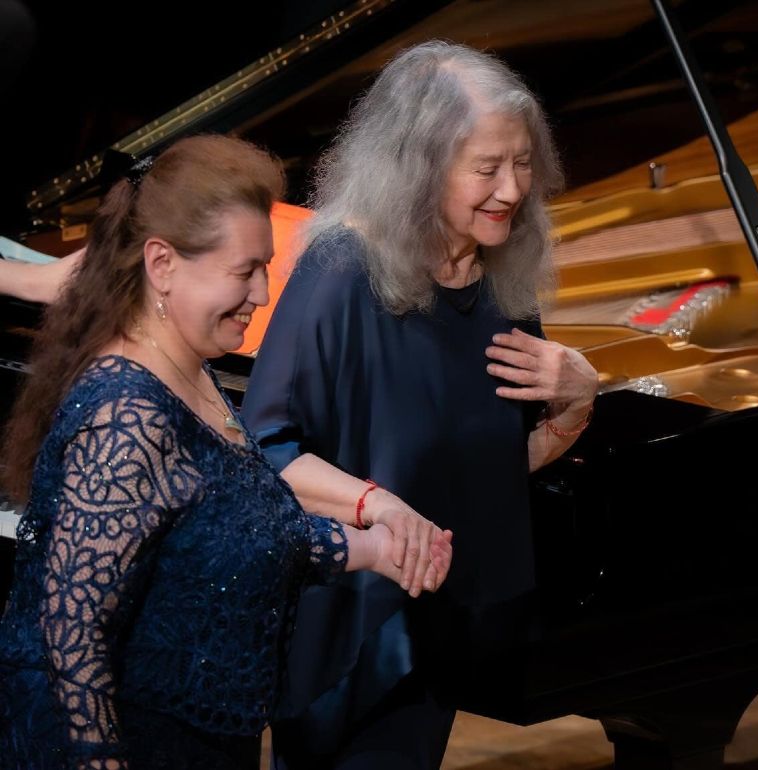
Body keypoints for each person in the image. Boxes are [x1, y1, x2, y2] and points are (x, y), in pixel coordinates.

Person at [0, 134, 452, 770]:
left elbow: (234, 535)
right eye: (244, 271)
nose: (264, 294)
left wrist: (378, 546)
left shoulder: (190, 369)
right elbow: (70, 641)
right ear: (162, 265)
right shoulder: (125, 420)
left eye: (266, 267)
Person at [241, 41, 599, 770]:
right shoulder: (342, 269)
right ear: (420, 166)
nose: (512, 189)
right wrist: (379, 507)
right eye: (487, 167)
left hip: (439, 616)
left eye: (523, 162)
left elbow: (496, 459)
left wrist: (577, 404)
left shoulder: (501, 278)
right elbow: (264, 452)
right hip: (348, 626)